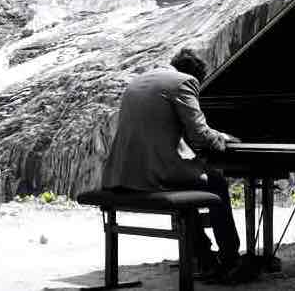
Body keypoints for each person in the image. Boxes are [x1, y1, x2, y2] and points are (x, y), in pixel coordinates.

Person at [102, 48, 241, 280]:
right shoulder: (185, 82)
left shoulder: (139, 81)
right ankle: (230, 260)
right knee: (215, 182)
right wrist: (224, 139)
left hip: (121, 174)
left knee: (189, 185)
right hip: (154, 175)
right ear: (196, 75)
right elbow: (199, 135)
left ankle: (203, 256)